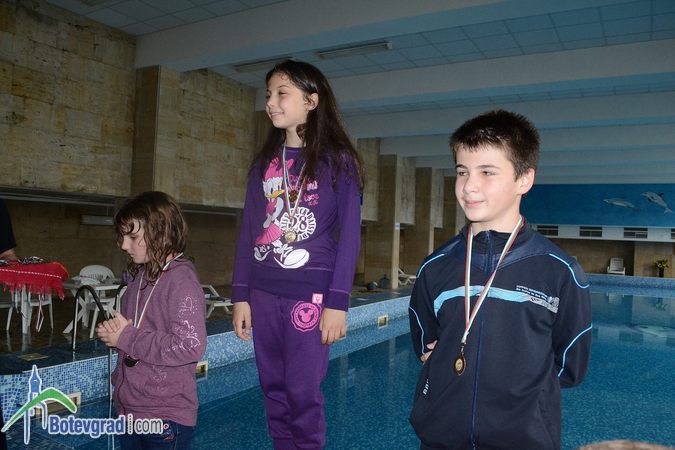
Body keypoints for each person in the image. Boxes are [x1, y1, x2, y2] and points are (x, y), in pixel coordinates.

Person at [408, 110, 592, 450]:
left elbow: (570, 367)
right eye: (462, 171)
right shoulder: (436, 266)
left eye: (487, 172)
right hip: (441, 438)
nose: (469, 186)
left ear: (524, 179)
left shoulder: (559, 271)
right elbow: (425, 345)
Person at [231, 60, 363, 450]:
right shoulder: (264, 165)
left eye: (281, 94)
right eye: (268, 94)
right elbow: (248, 231)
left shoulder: (338, 162)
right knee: (272, 387)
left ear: (311, 100)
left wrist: (338, 302)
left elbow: (350, 237)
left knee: (302, 391)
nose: (270, 102)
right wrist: (240, 295)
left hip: (310, 292)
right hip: (263, 290)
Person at [96, 191, 206, 449]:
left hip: (164, 416)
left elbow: (190, 346)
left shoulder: (181, 281)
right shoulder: (139, 277)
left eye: (133, 237)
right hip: (130, 410)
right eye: (123, 237)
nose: (124, 245)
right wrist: (115, 334)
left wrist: (126, 336)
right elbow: (134, 333)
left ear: (160, 232)